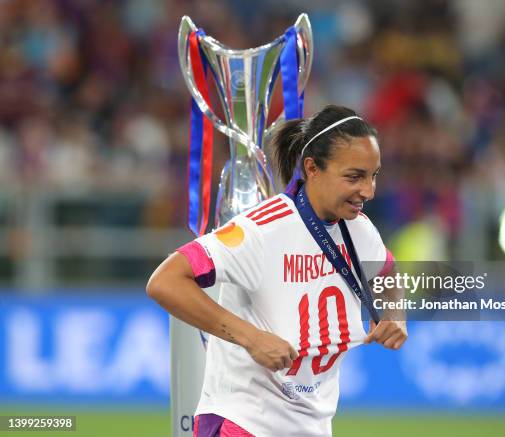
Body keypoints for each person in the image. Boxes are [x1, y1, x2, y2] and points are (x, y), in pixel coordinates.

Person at [146, 105, 407, 437]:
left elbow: (388, 269)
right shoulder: (263, 229)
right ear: (312, 168)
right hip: (243, 421)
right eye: (354, 177)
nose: (368, 191)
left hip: (311, 427)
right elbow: (164, 281)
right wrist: (251, 337)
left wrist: (395, 313)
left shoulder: (360, 230)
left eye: (374, 176)